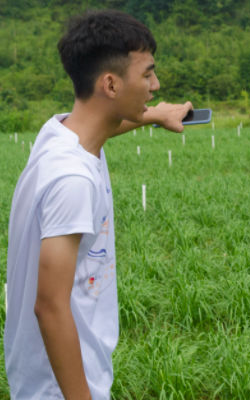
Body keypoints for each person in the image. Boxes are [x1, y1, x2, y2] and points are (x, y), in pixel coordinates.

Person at [5, 10, 193, 399]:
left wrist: (156, 115)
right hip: (59, 389)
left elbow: (104, 122)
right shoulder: (72, 181)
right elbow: (50, 307)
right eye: (147, 75)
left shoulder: (59, 133)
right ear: (110, 83)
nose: (156, 85)